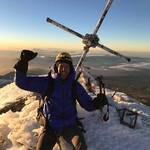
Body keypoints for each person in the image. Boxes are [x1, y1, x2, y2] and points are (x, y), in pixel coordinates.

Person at [14, 50, 108, 150]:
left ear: (70, 68)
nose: (63, 69)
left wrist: (97, 103)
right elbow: (22, 82)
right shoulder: (47, 82)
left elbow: (87, 105)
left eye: (66, 67)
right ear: (56, 67)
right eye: (61, 66)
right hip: (50, 126)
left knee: (81, 147)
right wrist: (22, 62)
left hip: (70, 126)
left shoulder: (74, 85)